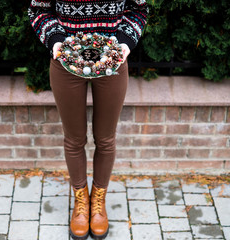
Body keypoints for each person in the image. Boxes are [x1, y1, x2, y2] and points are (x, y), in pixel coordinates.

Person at [28, 1, 149, 239]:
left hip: (112, 62)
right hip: (66, 62)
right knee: (74, 139)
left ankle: (99, 202)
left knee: (105, 139)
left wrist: (124, 43)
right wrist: (56, 41)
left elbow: (139, 9)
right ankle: (81, 202)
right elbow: (38, 10)